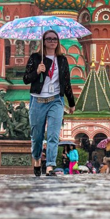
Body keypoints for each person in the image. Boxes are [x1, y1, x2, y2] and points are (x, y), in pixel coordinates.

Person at [23, 29, 76, 177]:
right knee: (37, 136)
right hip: (37, 100)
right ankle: (38, 159)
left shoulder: (62, 60)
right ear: (43, 41)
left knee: (53, 135)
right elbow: (26, 79)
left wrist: (71, 103)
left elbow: (66, 83)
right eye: (48, 39)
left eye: (54, 39)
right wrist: (38, 71)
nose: (52, 41)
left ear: (58, 41)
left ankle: (50, 166)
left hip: (56, 101)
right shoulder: (35, 58)